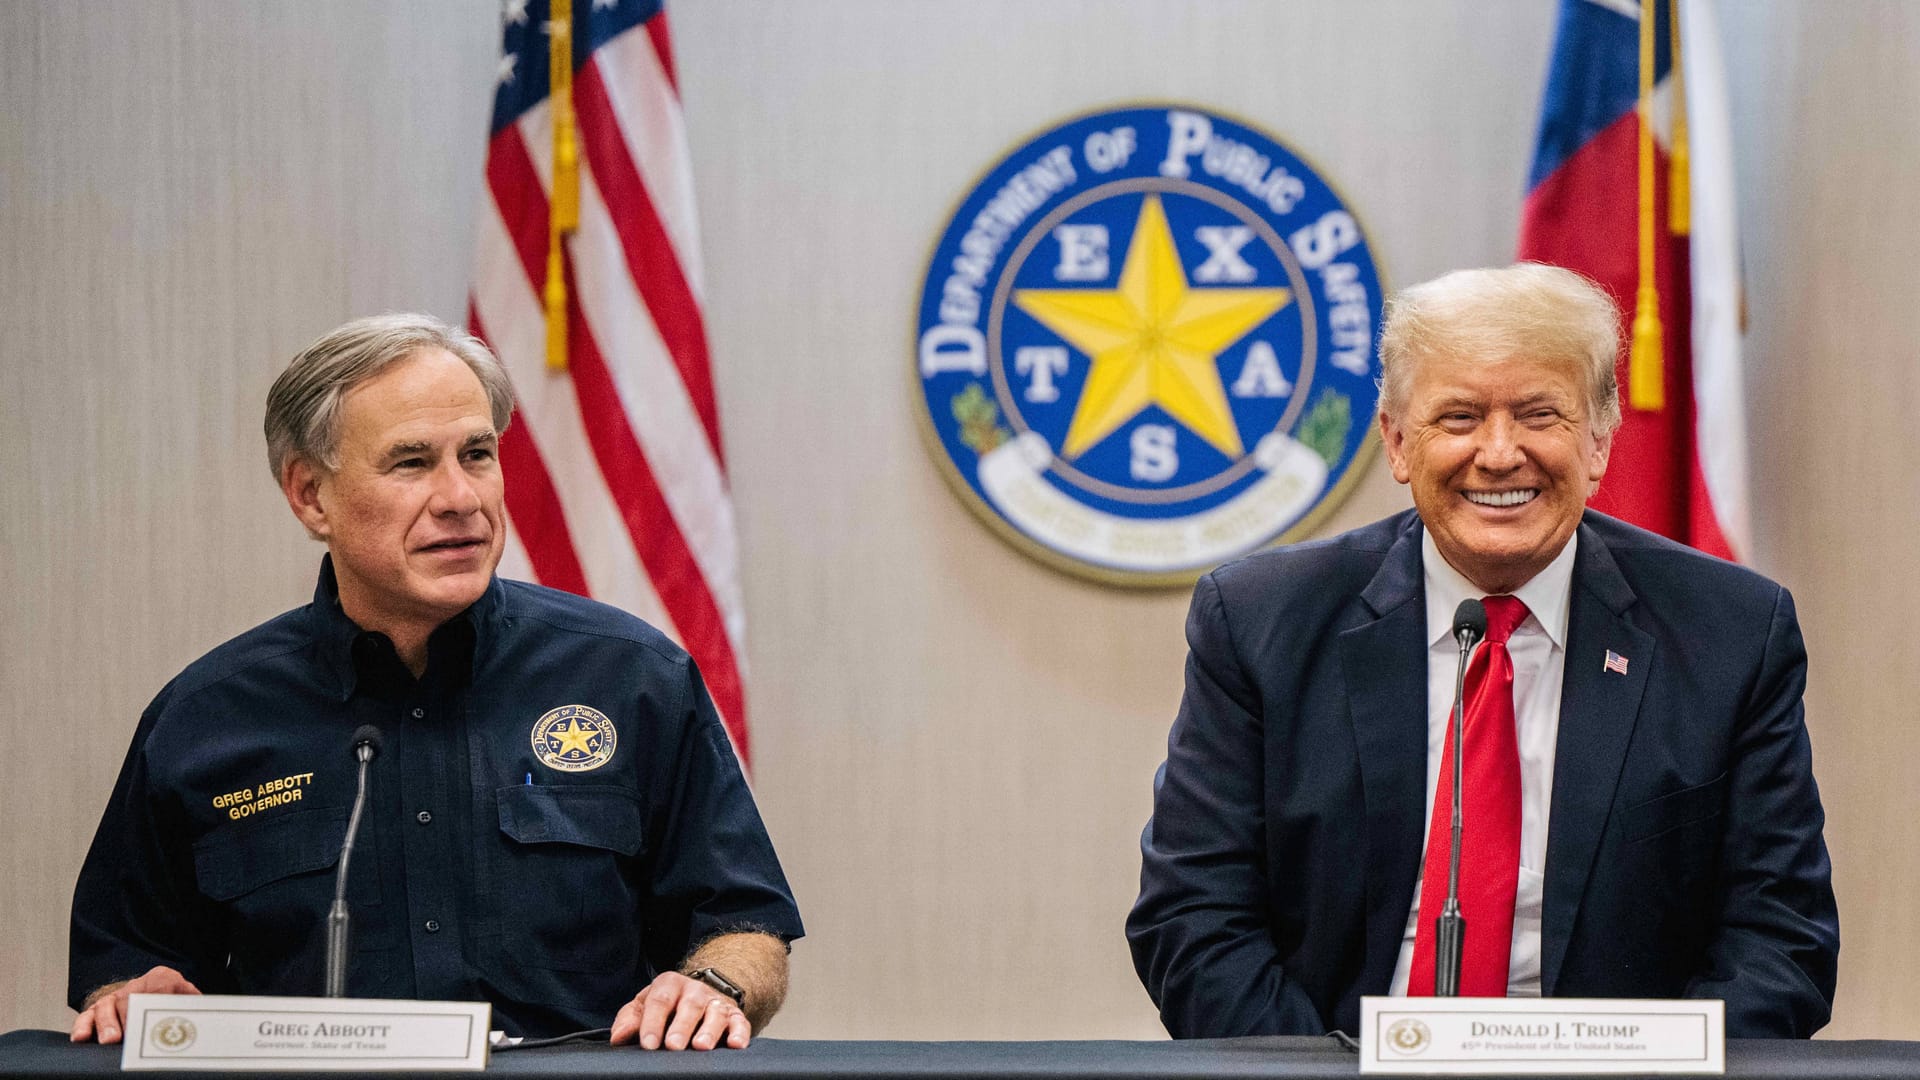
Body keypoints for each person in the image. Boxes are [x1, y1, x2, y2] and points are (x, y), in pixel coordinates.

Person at [1126, 264, 1838, 1038]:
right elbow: (1194, 919)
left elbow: (1780, 946)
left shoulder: (1731, 632)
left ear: (1600, 439)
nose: (1500, 455)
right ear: (1397, 442)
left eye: (1539, 414)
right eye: (1459, 418)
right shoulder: (1262, 621)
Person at [68, 314, 802, 1050]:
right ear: (310, 496)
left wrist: (713, 985)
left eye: (477, 454)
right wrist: (131, 998)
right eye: (412, 463)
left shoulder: (633, 676)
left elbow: (747, 927)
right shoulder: (205, 719)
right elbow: (125, 967)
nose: (460, 497)